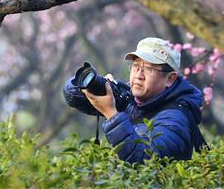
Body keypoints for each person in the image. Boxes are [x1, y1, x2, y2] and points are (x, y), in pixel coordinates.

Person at [63, 37, 206, 163]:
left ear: (170, 79)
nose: (139, 75)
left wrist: (112, 114)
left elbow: (144, 160)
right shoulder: (132, 100)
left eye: (149, 69)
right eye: (136, 66)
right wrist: (98, 85)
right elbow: (72, 96)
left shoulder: (176, 120)